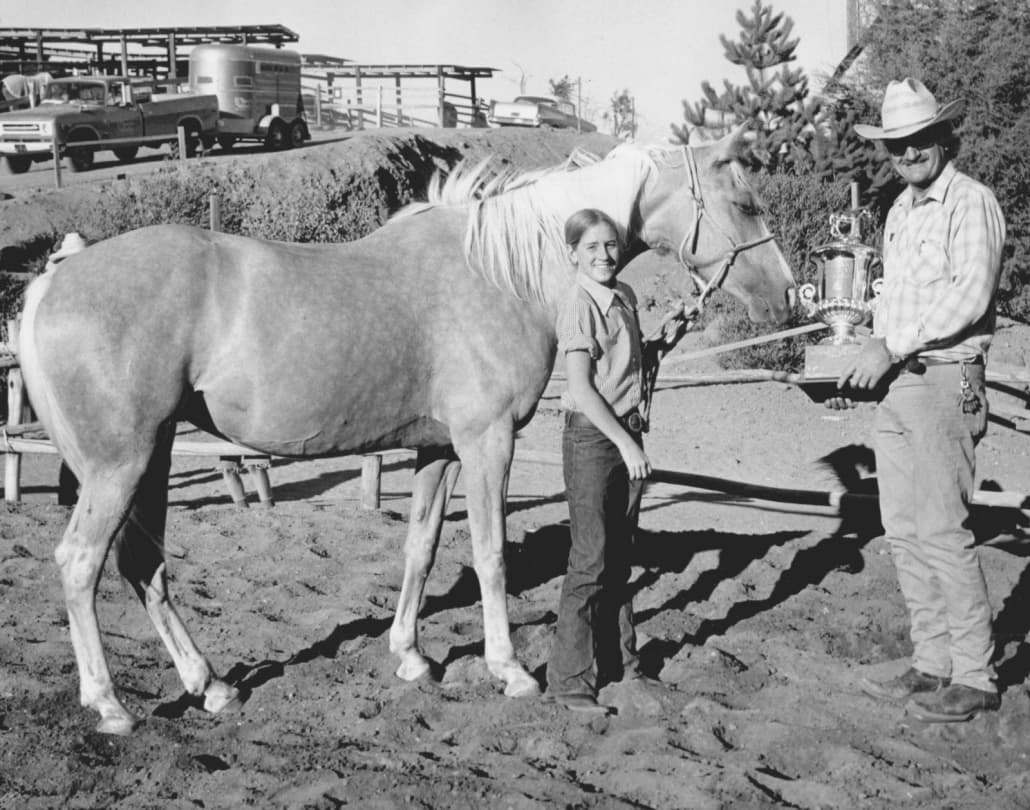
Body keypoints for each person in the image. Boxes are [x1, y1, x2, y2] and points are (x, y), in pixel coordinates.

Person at [829, 78, 1006, 723]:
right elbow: (891, 304)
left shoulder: (970, 202)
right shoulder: (899, 213)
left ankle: (975, 674)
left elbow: (970, 296)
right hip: (896, 383)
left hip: (943, 379)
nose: (908, 153)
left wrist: (890, 346)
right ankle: (932, 662)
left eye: (919, 139)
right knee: (902, 530)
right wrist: (861, 349)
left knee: (941, 529)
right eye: (896, 144)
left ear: (942, 136)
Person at [546, 208, 684, 714]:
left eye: (610, 246)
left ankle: (622, 664)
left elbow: (626, 362)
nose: (604, 256)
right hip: (593, 439)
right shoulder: (578, 305)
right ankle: (569, 682)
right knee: (590, 559)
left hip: (625, 430)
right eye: (592, 248)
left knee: (621, 556)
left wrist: (664, 339)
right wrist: (626, 445)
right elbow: (582, 388)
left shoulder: (622, 294)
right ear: (573, 255)